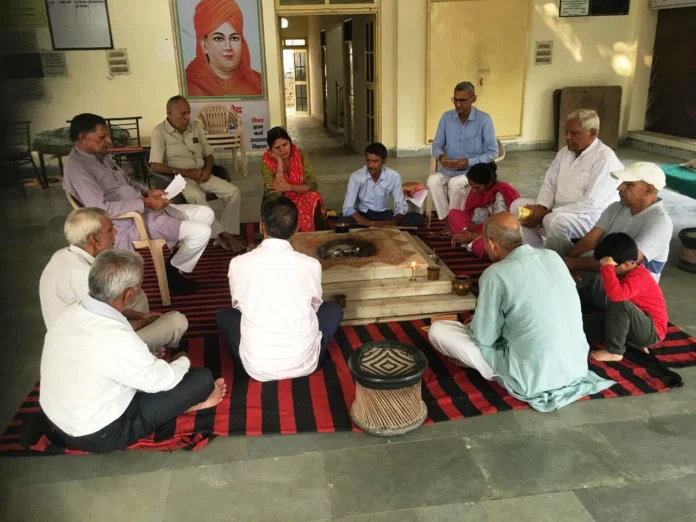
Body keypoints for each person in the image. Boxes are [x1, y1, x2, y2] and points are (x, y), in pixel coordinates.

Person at [39, 249, 226, 454]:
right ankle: (190, 406)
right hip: (100, 434)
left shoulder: (69, 313)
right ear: (129, 294)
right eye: (138, 287)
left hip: (58, 418)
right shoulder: (115, 337)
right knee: (202, 380)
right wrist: (183, 360)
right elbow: (162, 381)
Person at [428, 213, 614, 412]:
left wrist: (474, 325)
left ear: (491, 244)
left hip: (531, 377)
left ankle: (497, 370)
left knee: (439, 330)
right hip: (576, 367)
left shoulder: (495, 274)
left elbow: (484, 337)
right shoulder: (552, 257)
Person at [63, 113, 214, 295]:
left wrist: (148, 192)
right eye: (102, 137)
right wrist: (145, 202)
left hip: (145, 210)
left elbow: (128, 182)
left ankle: (173, 266)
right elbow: (101, 210)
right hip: (128, 222)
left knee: (207, 214)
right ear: (82, 137)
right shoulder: (78, 168)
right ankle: (173, 272)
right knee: (202, 232)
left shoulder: (101, 156)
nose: (109, 140)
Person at [215, 197, 344, 382]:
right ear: (296, 228)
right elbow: (315, 306)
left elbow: (239, 307)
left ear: (261, 226)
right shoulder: (311, 265)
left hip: (257, 368)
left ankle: (254, 356)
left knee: (224, 316)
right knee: (333, 310)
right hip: (305, 363)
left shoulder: (238, 264)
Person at [39, 208, 188, 356]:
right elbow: (112, 328)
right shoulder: (85, 276)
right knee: (177, 321)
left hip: (78, 337)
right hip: (92, 352)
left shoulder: (63, 255)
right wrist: (147, 321)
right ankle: (143, 355)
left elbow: (105, 313)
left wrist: (142, 317)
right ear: (94, 239)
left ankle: (148, 348)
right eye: (110, 229)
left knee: (137, 295)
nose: (116, 233)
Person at [547, 162, 673, 310]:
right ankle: (561, 287)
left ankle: (556, 292)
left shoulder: (660, 222)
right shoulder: (617, 207)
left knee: (596, 270)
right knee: (556, 243)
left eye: (629, 184)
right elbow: (590, 240)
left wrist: (570, 264)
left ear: (648, 190)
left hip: (625, 288)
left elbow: (622, 264)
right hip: (603, 267)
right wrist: (570, 262)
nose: (619, 187)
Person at [510, 109, 623, 247]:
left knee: (553, 221)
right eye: (567, 132)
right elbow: (549, 184)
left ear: (592, 133)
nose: (568, 137)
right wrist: (542, 206)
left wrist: (548, 212)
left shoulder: (604, 159)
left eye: (574, 133)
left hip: (589, 216)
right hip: (558, 208)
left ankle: (558, 260)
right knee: (518, 207)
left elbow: (591, 203)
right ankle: (535, 250)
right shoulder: (565, 152)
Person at [149, 95, 243, 252]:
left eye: (189, 113)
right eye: (183, 114)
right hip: (181, 180)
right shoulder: (159, 132)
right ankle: (224, 236)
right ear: (169, 112)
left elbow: (208, 155)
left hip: (203, 175)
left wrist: (207, 170)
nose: (187, 118)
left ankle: (225, 233)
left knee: (234, 192)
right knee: (196, 196)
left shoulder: (195, 127)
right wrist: (186, 172)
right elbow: (155, 166)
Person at [582, 233, 668, 362]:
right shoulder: (624, 272)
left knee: (620, 302)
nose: (604, 269)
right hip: (631, 325)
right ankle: (630, 341)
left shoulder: (640, 277)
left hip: (651, 332)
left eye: (611, 266)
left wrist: (607, 268)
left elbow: (616, 297)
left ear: (627, 264)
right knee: (581, 324)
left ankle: (615, 351)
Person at [427, 81, 498, 232]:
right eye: (455, 100)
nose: (458, 104)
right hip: (449, 169)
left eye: (463, 100)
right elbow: (437, 144)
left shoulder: (484, 119)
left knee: (455, 184)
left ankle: (454, 221)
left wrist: (469, 161)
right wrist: (441, 157)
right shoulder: (446, 118)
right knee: (432, 181)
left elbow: (493, 152)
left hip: (472, 171)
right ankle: (448, 219)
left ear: (473, 99)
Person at [184, 0, 263, 97]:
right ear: (204, 45)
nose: (228, 47)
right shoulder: (191, 84)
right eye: (219, 38)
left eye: (234, 38)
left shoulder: (258, 83)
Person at [341, 142, 424, 228]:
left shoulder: (394, 176)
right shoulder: (356, 177)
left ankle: (382, 227)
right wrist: (369, 223)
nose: (370, 165)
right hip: (364, 215)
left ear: (384, 161)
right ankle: (375, 227)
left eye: (375, 161)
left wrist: (392, 222)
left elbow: (400, 206)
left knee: (416, 218)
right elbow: (348, 208)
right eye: (368, 160)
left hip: (385, 215)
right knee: (343, 221)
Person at [261, 127, 326, 232]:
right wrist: (279, 162)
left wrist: (289, 187)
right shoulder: (266, 161)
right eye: (277, 148)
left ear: (290, 142)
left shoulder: (301, 156)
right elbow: (274, 190)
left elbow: (312, 185)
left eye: (285, 145)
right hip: (278, 198)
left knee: (314, 197)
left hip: (300, 194)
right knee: (281, 207)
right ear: (271, 149)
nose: (282, 150)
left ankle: (313, 235)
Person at [448, 162, 520, 257]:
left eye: (477, 187)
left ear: (489, 183)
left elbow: (499, 230)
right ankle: (470, 242)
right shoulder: (484, 190)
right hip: (483, 228)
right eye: (472, 187)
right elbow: (478, 218)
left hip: (500, 235)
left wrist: (471, 236)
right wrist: (464, 233)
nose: (474, 191)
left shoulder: (501, 194)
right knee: (454, 214)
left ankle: (472, 243)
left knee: (482, 246)